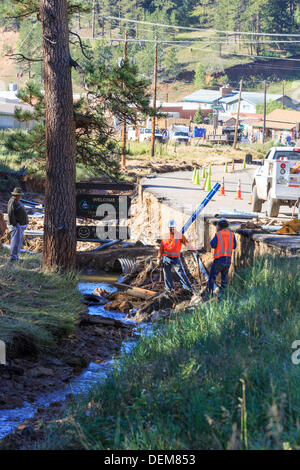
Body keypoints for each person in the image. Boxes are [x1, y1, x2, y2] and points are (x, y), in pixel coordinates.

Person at [157, 219, 195, 295]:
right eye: (170, 228)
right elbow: (161, 248)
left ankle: (188, 289)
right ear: (168, 228)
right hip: (166, 258)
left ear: (175, 227)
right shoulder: (165, 236)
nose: (172, 229)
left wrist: (194, 251)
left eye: (173, 227)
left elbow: (187, 244)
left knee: (181, 273)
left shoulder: (180, 236)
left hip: (175, 259)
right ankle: (169, 290)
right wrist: (158, 258)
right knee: (167, 275)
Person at [206, 218, 236, 297]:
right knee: (224, 280)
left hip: (219, 259)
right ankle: (223, 296)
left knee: (212, 277)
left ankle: (209, 295)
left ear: (219, 226)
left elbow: (212, 245)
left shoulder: (218, 234)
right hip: (228, 260)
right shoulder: (232, 234)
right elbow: (234, 246)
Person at [7, 187, 28, 262]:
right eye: (20, 195)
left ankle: (16, 256)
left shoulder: (17, 201)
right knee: (15, 242)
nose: (21, 196)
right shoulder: (12, 201)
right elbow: (10, 214)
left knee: (18, 241)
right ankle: (13, 258)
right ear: (16, 195)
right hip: (16, 226)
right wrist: (15, 224)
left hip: (19, 225)